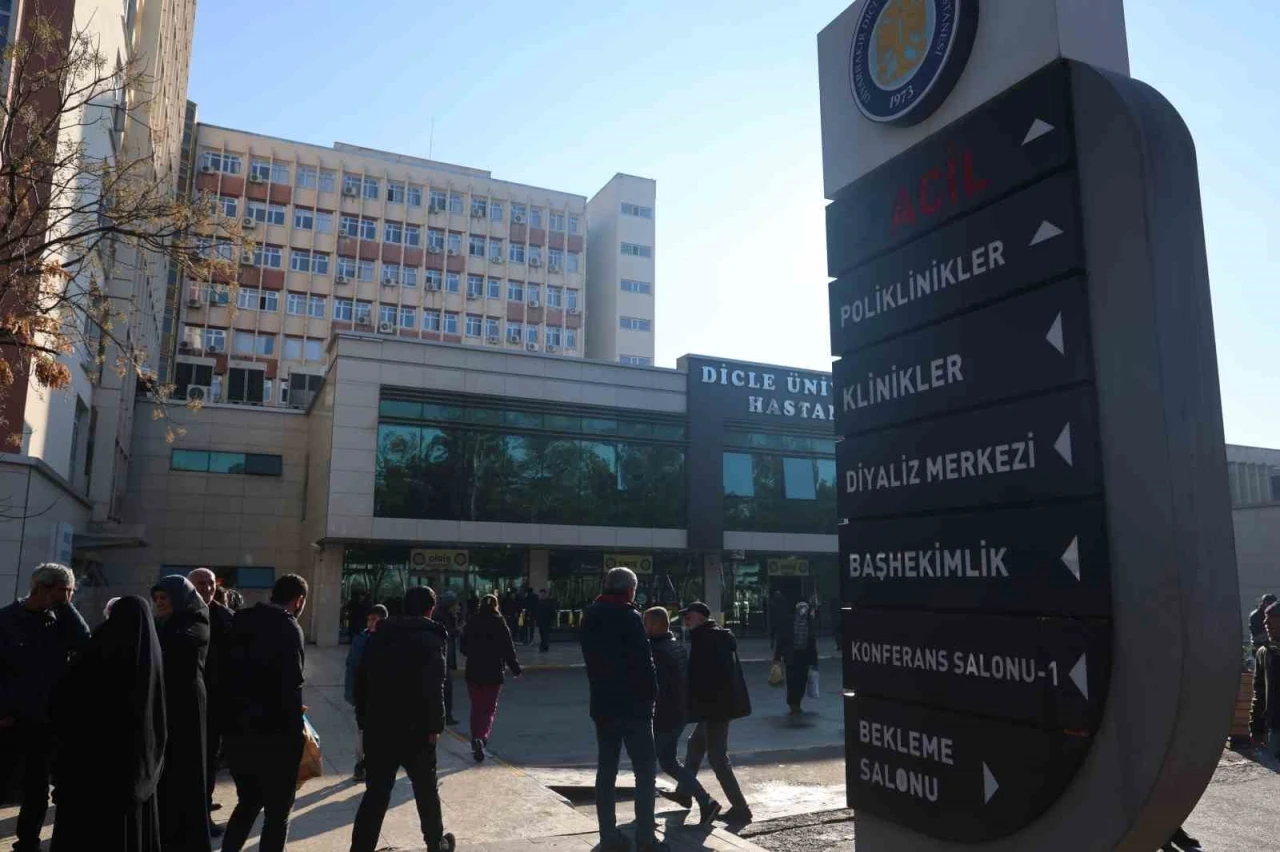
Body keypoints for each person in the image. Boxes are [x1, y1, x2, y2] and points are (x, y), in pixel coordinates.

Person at [50, 595, 166, 851]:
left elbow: (65, 698)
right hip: (136, 767)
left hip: (91, 770)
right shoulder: (152, 654)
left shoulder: (99, 649)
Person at [350, 585, 456, 852]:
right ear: (430, 609)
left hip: (379, 726)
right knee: (425, 790)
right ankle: (435, 843)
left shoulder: (379, 635)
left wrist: (363, 718)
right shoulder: (431, 638)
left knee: (376, 794)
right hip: (417, 729)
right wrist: (435, 726)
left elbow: (361, 680)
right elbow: (434, 686)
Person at [0, 563, 90, 852]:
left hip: (44, 720)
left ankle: (28, 843)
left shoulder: (60, 619)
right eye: (64, 591)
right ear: (41, 588)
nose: (68, 597)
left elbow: (84, 641)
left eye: (71, 591)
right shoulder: (7, 619)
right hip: (10, 720)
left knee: (37, 790)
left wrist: (65, 607)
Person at [219, 574, 309, 852]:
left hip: (237, 733)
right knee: (277, 812)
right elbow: (291, 687)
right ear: (299, 600)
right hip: (275, 737)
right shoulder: (289, 628)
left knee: (247, 803)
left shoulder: (240, 620)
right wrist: (298, 739)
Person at [580, 567, 665, 852]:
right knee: (645, 771)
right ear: (629, 590)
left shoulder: (590, 616)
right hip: (634, 707)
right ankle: (646, 838)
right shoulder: (630, 617)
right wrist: (652, 697)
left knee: (606, 771)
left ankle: (609, 836)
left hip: (603, 705)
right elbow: (644, 664)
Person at [151, 574, 213, 852]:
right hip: (164, 705)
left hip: (187, 706)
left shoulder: (196, 621)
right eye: (156, 599)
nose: (160, 603)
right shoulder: (161, 624)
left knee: (186, 771)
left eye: (165, 598)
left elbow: (177, 645)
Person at [645, 606, 722, 827]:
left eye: (645, 623)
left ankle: (705, 801)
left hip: (666, 715)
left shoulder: (657, 651)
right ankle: (693, 797)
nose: (643, 627)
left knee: (663, 762)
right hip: (678, 712)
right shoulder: (675, 644)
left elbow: (657, 688)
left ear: (654, 625)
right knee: (668, 761)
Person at [680, 601, 753, 825]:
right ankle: (684, 791)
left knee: (717, 758)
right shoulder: (710, 636)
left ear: (701, 618)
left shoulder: (707, 639)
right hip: (716, 706)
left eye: (689, 616)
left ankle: (741, 808)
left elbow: (709, 678)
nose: (685, 620)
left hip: (715, 708)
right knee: (695, 745)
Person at [189, 567, 234, 837]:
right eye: (200, 584)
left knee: (208, 762)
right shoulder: (179, 615)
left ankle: (203, 814)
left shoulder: (226, 617)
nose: (206, 588)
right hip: (185, 702)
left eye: (210, 583)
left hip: (216, 703)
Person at [460, 594, 522, 762]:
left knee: (476, 707)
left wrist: (474, 652)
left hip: (473, 671)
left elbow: (463, 647)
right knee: (488, 709)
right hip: (493, 672)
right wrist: (515, 669)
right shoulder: (500, 622)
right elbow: (508, 648)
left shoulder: (472, 621)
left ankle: (475, 738)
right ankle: (481, 738)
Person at [345, 603, 388, 781]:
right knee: (361, 730)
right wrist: (350, 692)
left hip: (381, 695)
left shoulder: (390, 641)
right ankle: (361, 763)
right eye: (369, 619)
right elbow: (350, 666)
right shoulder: (360, 639)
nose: (370, 623)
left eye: (374, 619)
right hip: (362, 692)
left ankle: (374, 762)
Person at [774, 601, 818, 715]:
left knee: (802, 681)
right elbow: (781, 640)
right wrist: (777, 657)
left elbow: (812, 643)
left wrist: (814, 662)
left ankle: (797, 702)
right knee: (792, 681)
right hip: (792, 655)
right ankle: (793, 704)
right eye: (802, 609)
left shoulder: (809, 623)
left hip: (804, 656)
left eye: (805, 609)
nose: (803, 612)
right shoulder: (789, 622)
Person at [1251, 601, 1280, 753]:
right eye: (1265, 617)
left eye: (1271, 617)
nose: (1265, 622)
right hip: (1274, 729)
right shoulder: (1263, 653)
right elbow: (1259, 692)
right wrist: (1256, 727)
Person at [436, 591, 462, 726]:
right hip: (442, 656)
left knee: (445, 688)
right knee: (445, 688)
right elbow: (450, 633)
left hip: (444, 655)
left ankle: (446, 715)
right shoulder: (443, 618)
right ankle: (445, 716)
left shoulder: (447, 616)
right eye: (456, 605)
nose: (458, 607)